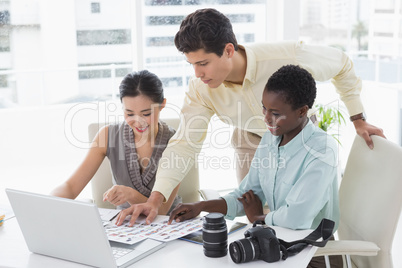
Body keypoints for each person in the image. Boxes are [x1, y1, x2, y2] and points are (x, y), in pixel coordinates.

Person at [118, 8, 385, 224]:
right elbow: (185, 144)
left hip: (298, 135)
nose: (197, 74)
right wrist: (156, 199)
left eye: (203, 63)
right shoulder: (201, 89)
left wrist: (358, 118)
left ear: (229, 50)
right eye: (192, 65)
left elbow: (343, 65)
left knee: (304, 218)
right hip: (253, 141)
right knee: (256, 217)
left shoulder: (286, 57)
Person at [166, 65, 342, 268]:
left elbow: (297, 217)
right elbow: (246, 195)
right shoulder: (270, 139)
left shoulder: (322, 149)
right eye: (264, 108)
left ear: (302, 111)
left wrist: (258, 218)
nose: (266, 118)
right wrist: (201, 207)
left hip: (315, 254)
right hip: (277, 243)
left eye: (275, 113)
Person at [51, 70, 181, 214]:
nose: (138, 122)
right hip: (124, 227)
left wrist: (131, 195)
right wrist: (46, 205)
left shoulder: (177, 143)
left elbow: (161, 210)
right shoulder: (108, 136)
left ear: (162, 104)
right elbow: (71, 187)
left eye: (146, 114)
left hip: (166, 226)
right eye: (129, 114)